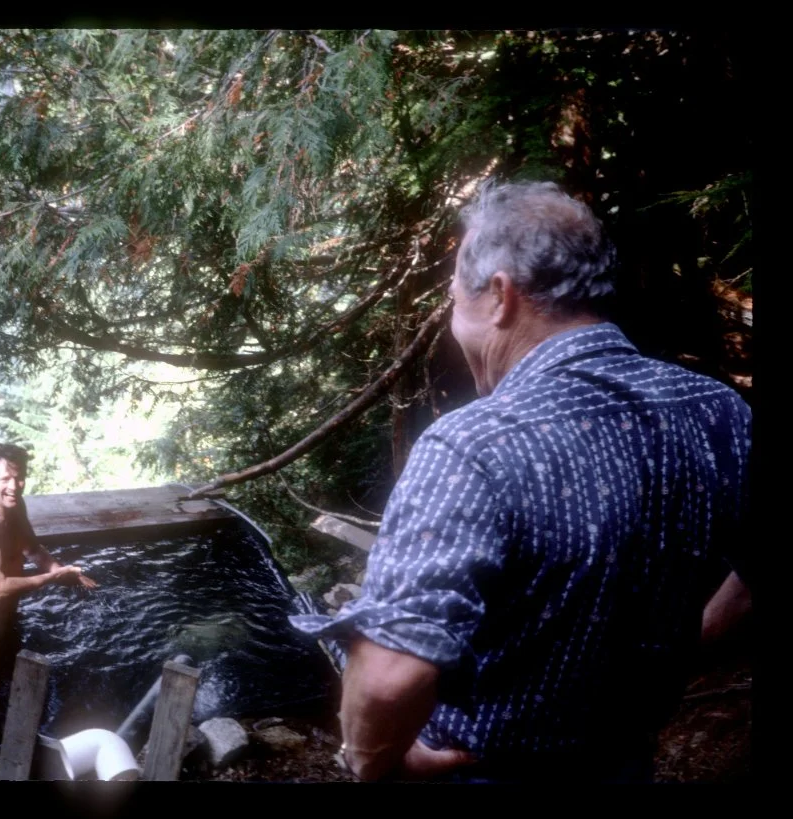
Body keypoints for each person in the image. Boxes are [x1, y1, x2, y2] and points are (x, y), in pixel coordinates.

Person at [291, 180, 752, 783]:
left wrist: (375, 762)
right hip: (629, 759)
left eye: (455, 297)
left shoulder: (473, 444)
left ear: (500, 297)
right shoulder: (715, 409)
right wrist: (685, 646)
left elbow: (386, 679)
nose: (454, 319)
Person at [0, 443, 97, 748]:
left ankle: (14, 736)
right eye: (5, 479)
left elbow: (33, 549)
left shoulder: (15, 506)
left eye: (19, 478)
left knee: (10, 679)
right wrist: (50, 578)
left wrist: (67, 574)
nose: (13, 486)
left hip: (10, 618)